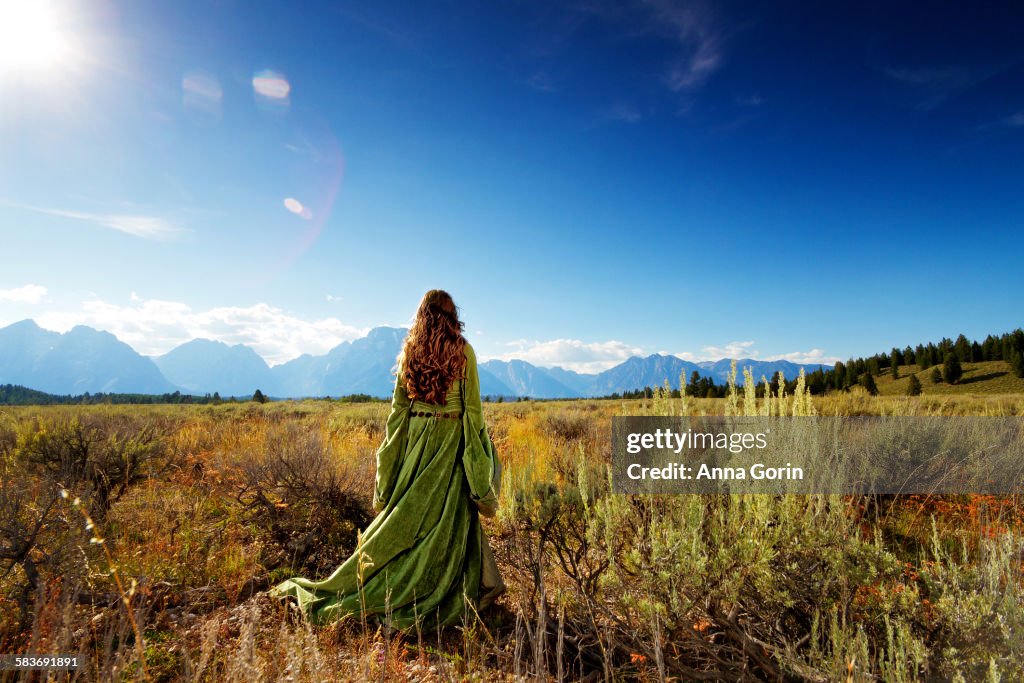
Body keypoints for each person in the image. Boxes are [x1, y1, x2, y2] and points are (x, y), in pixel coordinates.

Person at [269, 289, 505, 628]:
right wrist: (481, 460)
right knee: (446, 521)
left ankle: (379, 581)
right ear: (454, 316)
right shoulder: (464, 353)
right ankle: (437, 586)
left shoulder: (410, 352)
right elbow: (472, 412)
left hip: (417, 445)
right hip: (450, 444)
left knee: (405, 519)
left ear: (422, 315)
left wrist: (392, 466)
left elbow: (398, 416)